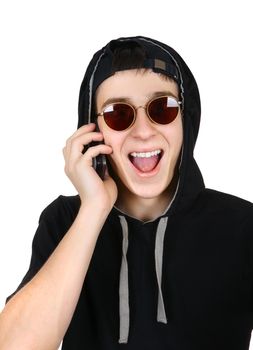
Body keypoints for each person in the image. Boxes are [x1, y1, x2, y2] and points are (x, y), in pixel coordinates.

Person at [0, 35, 253, 350]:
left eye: (163, 108)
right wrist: (93, 209)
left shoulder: (242, 226)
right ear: (92, 131)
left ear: (185, 120)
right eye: (118, 114)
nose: (144, 131)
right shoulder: (65, 221)